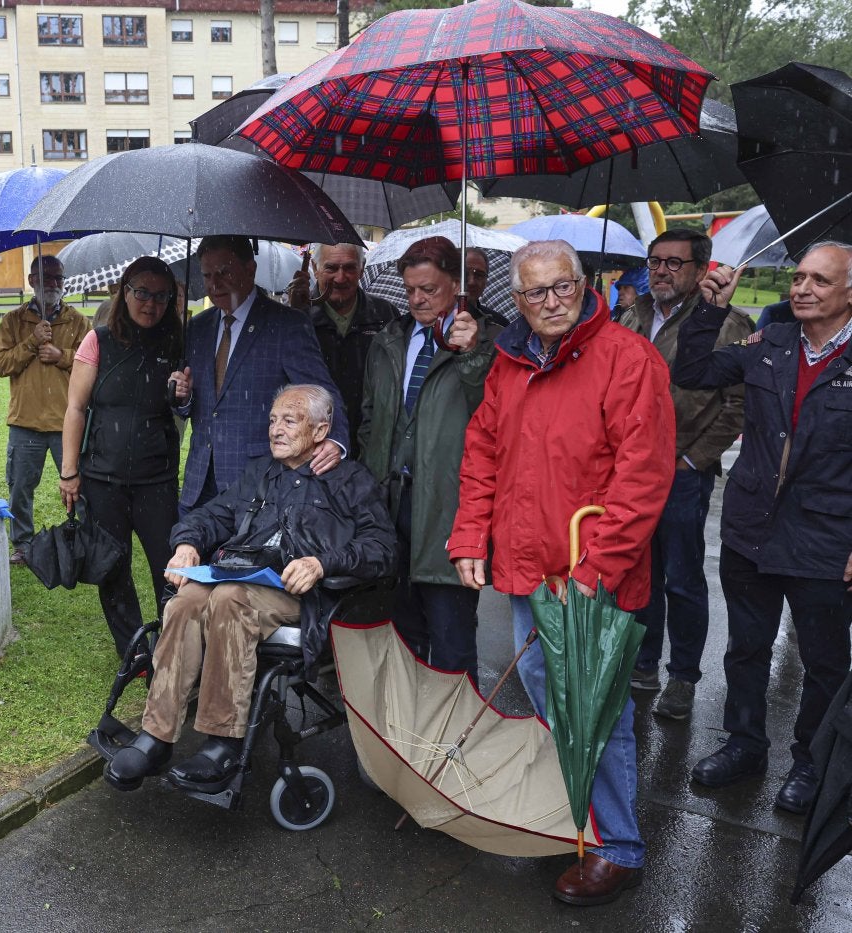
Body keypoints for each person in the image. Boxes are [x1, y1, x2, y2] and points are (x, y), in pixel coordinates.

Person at [450, 240, 675, 905]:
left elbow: (643, 474)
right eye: (535, 292)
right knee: (551, 693)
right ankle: (579, 810)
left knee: (593, 706)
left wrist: (598, 565)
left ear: (585, 284)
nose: (551, 302)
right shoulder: (510, 360)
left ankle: (617, 847)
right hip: (528, 569)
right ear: (514, 301)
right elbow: (483, 450)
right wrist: (470, 534)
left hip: (588, 573)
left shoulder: (628, 358)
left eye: (563, 287)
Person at [105, 385, 395, 791]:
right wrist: (187, 543)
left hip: (301, 593)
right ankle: (157, 735)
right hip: (246, 576)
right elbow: (212, 514)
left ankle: (223, 742)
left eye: (289, 421)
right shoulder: (261, 473)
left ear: (321, 429)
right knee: (186, 598)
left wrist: (321, 563)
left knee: (229, 598)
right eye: (273, 420)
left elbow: (382, 547)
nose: (275, 429)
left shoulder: (349, 480)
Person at [674, 241, 852, 816]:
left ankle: (811, 763)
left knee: (825, 663)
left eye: (819, 281)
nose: (801, 288)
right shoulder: (769, 343)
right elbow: (694, 370)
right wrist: (710, 310)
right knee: (746, 648)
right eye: (798, 277)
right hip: (751, 527)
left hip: (826, 538)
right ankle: (744, 745)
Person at [618, 230, 753, 718]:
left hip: (682, 471)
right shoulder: (632, 315)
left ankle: (683, 677)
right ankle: (645, 663)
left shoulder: (726, 322)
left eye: (675, 263)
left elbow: (738, 404)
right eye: (655, 261)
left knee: (681, 577)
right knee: (639, 574)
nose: (662, 271)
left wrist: (694, 459)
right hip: (630, 469)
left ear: (701, 269)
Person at [358, 237, 496, 685]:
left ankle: (458, 744)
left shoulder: (489, 341)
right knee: (402, 635)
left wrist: (472, 354)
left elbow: (496, 421)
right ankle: (410, 738)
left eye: (429, 290)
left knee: (452, 639)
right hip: (389, 506)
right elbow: (370, 417)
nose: (417, 299)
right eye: (411, 289)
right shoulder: (389, 340)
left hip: (447, 510)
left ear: (457, 286)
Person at [58, 257, 186, 656]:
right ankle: (134, 652)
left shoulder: (179, 342)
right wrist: (69, 473)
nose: (151, 304)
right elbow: (75, 409)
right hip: (102, 479)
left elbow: (191, 408)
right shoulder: (98, 340)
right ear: (124, 292)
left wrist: (184, 395)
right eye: (142, 293)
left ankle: (171, 649)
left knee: (170, 570)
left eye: (162, 296)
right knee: (112, 569)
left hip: (157, 479)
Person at [180, 236, 348, 513]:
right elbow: (197, 404)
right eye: (207, 275)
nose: (214, 284)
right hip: (199, 486)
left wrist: (336, 439)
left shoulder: (286, 325)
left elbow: (322, 391)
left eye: (224, 272)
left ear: (250, 270)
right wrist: (181, 398)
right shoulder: (197, 328)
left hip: (259, 484)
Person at [0, 255, 90, 565]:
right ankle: (23, 544)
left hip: (66, 423)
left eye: (58, 278)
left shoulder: (78, 322)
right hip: (26, 422)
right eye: (46, 278)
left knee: (79, 487)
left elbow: (94, 364)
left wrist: (62, 355)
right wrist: (31, 343)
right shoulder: (13, 321)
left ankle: (83, 540)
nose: (54, 284)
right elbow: (0, 364)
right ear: (32, 280)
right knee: (20, 487)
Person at [285, 242, 401, 457]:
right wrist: (296, 316)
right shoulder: (294, 318)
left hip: (372, 445)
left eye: (349, 268)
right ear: (314, 268)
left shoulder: (385, 315)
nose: (340, 278)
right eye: (331, 268)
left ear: (362, 268)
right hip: (312, 447)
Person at [463, 247, 513, 327]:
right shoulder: (437, 319)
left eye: (479, 275)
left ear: (486, 280)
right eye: (465, 274)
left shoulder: (498, 324)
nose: (471, 282)